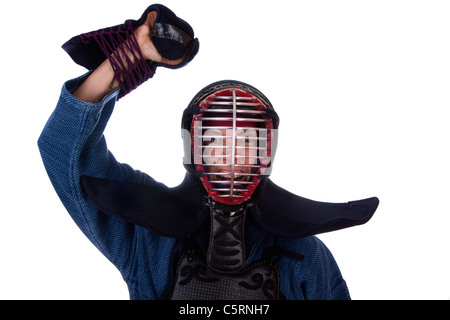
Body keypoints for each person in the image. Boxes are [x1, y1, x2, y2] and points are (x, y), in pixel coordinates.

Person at [38, 4, 378, 300]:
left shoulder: (306, 257)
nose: (231, 157)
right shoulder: (149, 238)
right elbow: (62, 148)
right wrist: (130, 55)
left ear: (267, 150)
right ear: (192, 146)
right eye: (215, 141)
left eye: (246, 141)